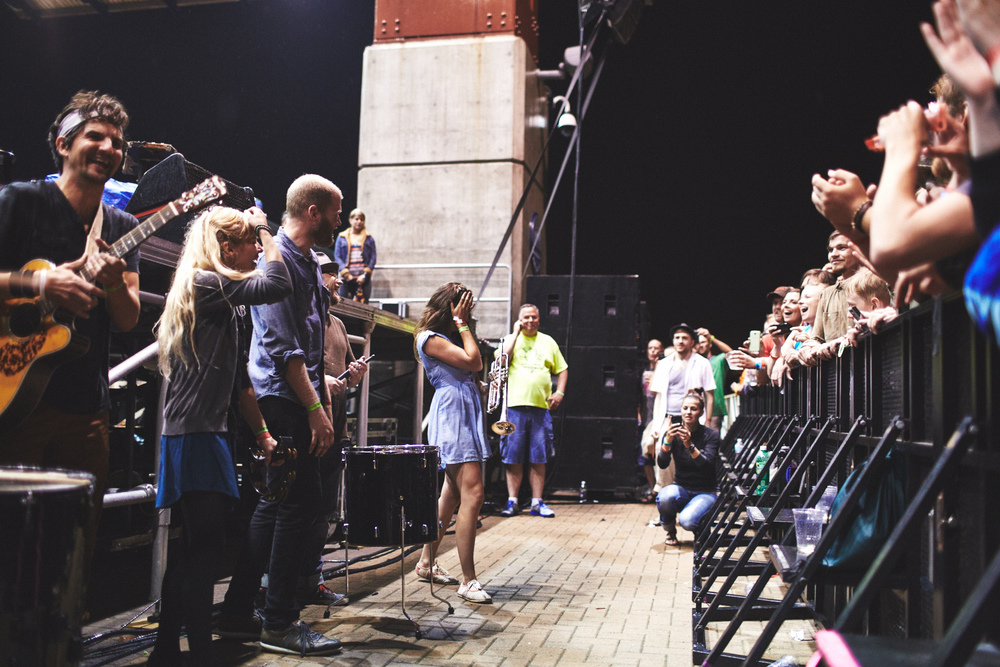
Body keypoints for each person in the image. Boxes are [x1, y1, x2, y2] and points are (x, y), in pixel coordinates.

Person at [0, 91, 140, 585]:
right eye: (94, 136)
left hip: (87, 409)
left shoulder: (122, 226)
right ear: (63, 143)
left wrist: (109, 283)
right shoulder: (22, 201)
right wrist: (40, 282)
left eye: (117, 142)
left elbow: (127, 317)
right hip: (13, 402)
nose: (108, 147)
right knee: (10, 544)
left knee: (73, 548)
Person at [150, 206, 291, 666]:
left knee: (195, 547)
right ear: (226, 246)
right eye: (248, 240)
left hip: (199, 433)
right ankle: (198, 650)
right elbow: (278, 284)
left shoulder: (217, 296)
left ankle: (167, 650)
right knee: (206, 547)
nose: (256, 247)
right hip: (195, 434)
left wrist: (264, 436)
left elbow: (240, 385)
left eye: (256, 239)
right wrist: (268, 227)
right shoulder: (207, 284)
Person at [219, 174, 344, 657]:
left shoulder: (308, 263)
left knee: (274, 504)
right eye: (335, 210)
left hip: (300, 399)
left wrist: (323, 405)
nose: (338, 218)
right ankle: (280, 621)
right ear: (313, 211)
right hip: (282, 399)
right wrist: (315, 409)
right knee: (300, 503)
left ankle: (235, 612)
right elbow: (283, 347)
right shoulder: (279, 263)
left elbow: (310, 345)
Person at [412, 283, 493, 603]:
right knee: (474, 492)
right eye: (463, 308)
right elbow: (473, 361)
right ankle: (468, 580)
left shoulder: (448, 339)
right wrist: (461, 325)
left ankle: (425, 562)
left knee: (451, 495)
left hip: (463, 412)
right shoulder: (428, 338)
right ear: (450, 307)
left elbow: (472, 369)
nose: (468, 314)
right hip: (452, 417)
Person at [296, 253, 368, 607]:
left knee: (323, 510)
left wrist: (353, 375)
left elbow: (344, 370)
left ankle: (311, 579)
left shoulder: (336, 324)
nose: (338, 280)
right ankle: (274, 584)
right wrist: (320, 381)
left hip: (333, 430)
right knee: (298, 511)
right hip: (308, 431)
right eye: (329, 273)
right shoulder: (302, 319)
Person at [498, 304, 568, 518]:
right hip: (513, 408)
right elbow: (501, 359)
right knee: (513, 456)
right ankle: (513, 502)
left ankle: (537, 502)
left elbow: (563, 369)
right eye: (526, 317)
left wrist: (560, 393)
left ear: (539, 319)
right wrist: (515, 332)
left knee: (539, 456)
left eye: (534, 317)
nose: (530, 320)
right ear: (519, 320)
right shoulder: (510, 339)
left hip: (540, 409)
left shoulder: (548, 341)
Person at [649, 323, 715, 488]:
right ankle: (664, 490)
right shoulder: (664, 364)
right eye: (677, 337)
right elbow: (658, 396)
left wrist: (707, 421)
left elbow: (709, 395)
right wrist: (657, 423)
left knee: (691, 452)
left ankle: (689, 489)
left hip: (692, 417)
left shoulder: (702, 362)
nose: (680, 341)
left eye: (684, 338)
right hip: (669, 416)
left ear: (692, 342)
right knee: (662, 449)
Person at [655, 390, 720, 547]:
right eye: (685, 408)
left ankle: (701, 526)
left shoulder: (711, 435)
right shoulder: (673, 433)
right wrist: (667, 442)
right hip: (682, 488)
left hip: (706, 492)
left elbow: (706, 466)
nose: (688, 412)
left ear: (701, 412)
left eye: (693, 409)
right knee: (665, 497)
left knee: (687, 520)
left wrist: (689, 445)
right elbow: (662, 464)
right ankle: (670, 531)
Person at [638, 338, 664, 501]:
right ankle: (653, 487)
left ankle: (661, 488)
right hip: (646, 416)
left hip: (660, 416)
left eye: (656, 348)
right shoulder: (643, 369)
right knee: (645, 454)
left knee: (660, 454)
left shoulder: (665, 368)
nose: (653, 351)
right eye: (650, 348)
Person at [333, 208, 376, 303]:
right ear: (350, 220)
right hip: (346, 278)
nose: (359, 222)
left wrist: (365, 275)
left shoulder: (369, 238)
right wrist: (346, 273)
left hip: (363, 279)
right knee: (343, 303)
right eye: (356, 219)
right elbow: (337, 256)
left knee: (364, 305)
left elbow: (373, 258)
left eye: (361, 219)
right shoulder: (342, 237)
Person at [696, 328, 732, 432]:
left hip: (715, 410)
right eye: (698, 343)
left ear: (709, 344)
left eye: (703, 342)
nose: (701, 345)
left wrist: (711, 338)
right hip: (695, 408)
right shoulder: (694, 363)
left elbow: (730, 353)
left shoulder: (718, 360)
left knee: (712, 443)